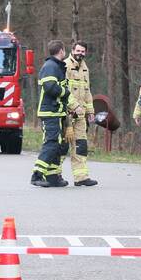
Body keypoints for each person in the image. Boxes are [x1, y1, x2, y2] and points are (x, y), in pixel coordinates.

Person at [30, 40, 70, 188]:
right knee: (51, 143)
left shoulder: (56, 66)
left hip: (56, 112)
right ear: (61, 50)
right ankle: (37, 174)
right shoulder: (50, 66)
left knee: (58, 145)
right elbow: (50, 87)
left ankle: (52, 176)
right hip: (50, 112)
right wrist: (66, 92)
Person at [63, 41, 97, 187]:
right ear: (72, 50)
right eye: (78, 51)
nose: (80, 53)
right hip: (67, 114)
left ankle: (81, 177)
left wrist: (90, 111)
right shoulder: (65, 65)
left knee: (81, 145)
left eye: (83, 51)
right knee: (62, 146)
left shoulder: (85, 68)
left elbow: (87, 91)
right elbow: (63, 90)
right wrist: (74, 106)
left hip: (81, 114)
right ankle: (54, 175)